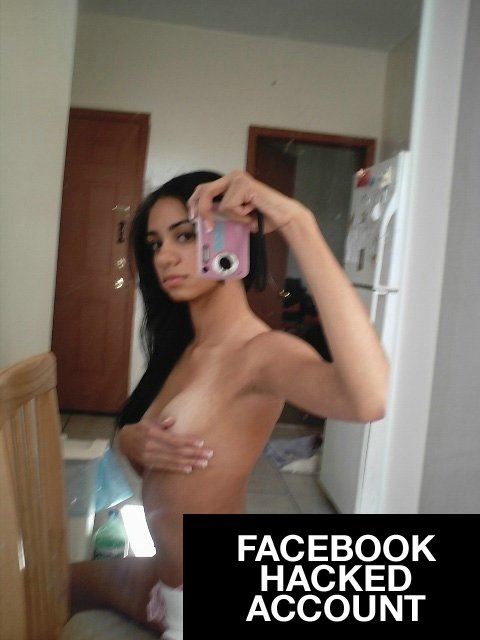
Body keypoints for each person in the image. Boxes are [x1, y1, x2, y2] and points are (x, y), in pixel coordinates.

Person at [69, 169, 388, 638]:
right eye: (155, 244)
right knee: (41, 586)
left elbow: (369, 400)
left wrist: (297, 222)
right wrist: (131, 442)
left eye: (184, 235)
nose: (165, 257)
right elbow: (165, 475)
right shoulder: (185, 347)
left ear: (234, 240)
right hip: (164, 579)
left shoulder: (263, 353)